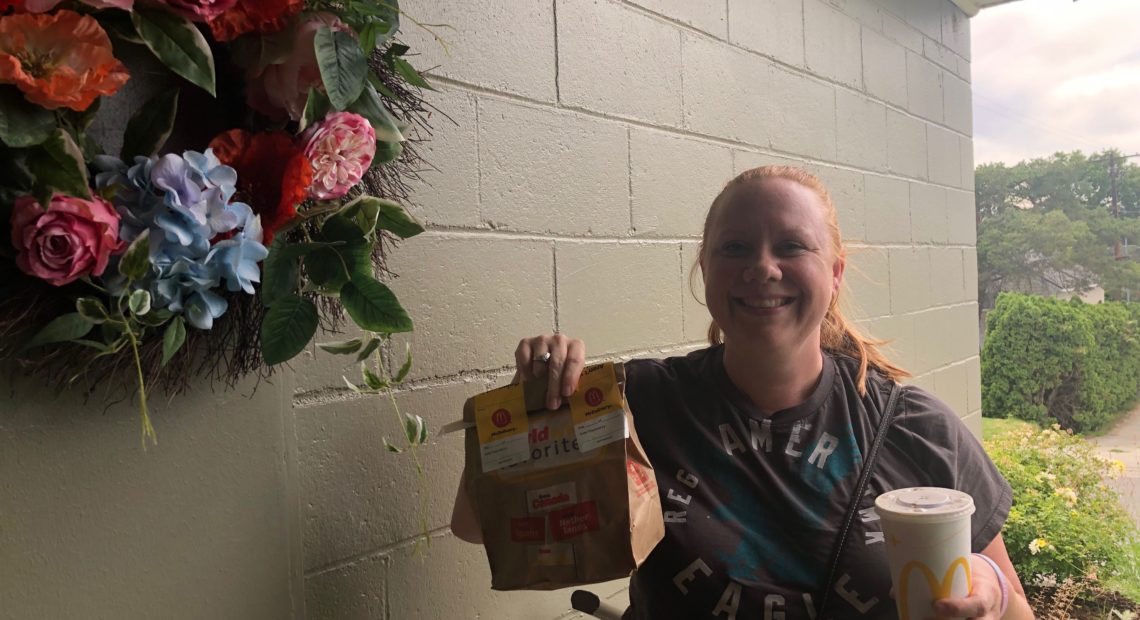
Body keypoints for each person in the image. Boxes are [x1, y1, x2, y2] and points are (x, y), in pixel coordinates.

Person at [452, 165, 1033, 619]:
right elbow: (478, 526)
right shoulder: (640, 403)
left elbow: (1013, 610)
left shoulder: (915, 427)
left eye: (791, 246)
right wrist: (525, 416)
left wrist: (989, 588)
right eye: (734, 248)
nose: (762, 267)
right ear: (705, 269)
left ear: (834, 272)